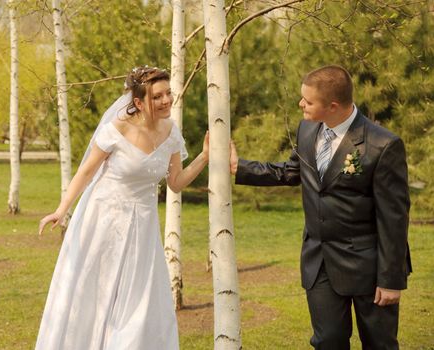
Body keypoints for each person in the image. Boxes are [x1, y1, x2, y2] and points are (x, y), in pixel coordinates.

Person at [230, 65, 412, 349]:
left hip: (369, 266)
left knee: (379, 344)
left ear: (333, 106)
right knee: (327, 341)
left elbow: (394, 218)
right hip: (319, 262)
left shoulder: (383, 145)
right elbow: (291, 172)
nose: (301, 104)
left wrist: (391, 279)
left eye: (308, 101)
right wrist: (239, 167)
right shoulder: (307, 129)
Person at [36, 66, 208, 350]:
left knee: (136, 303)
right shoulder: (117, 128)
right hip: (103, 220)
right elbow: (86, 172)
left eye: (168, 93)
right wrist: (62, 209)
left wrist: (204, 156)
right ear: (139, 102)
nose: (166, 100)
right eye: (157, 96)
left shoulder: (171, 132)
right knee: (94, 293)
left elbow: (175, 183)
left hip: (143, 226)